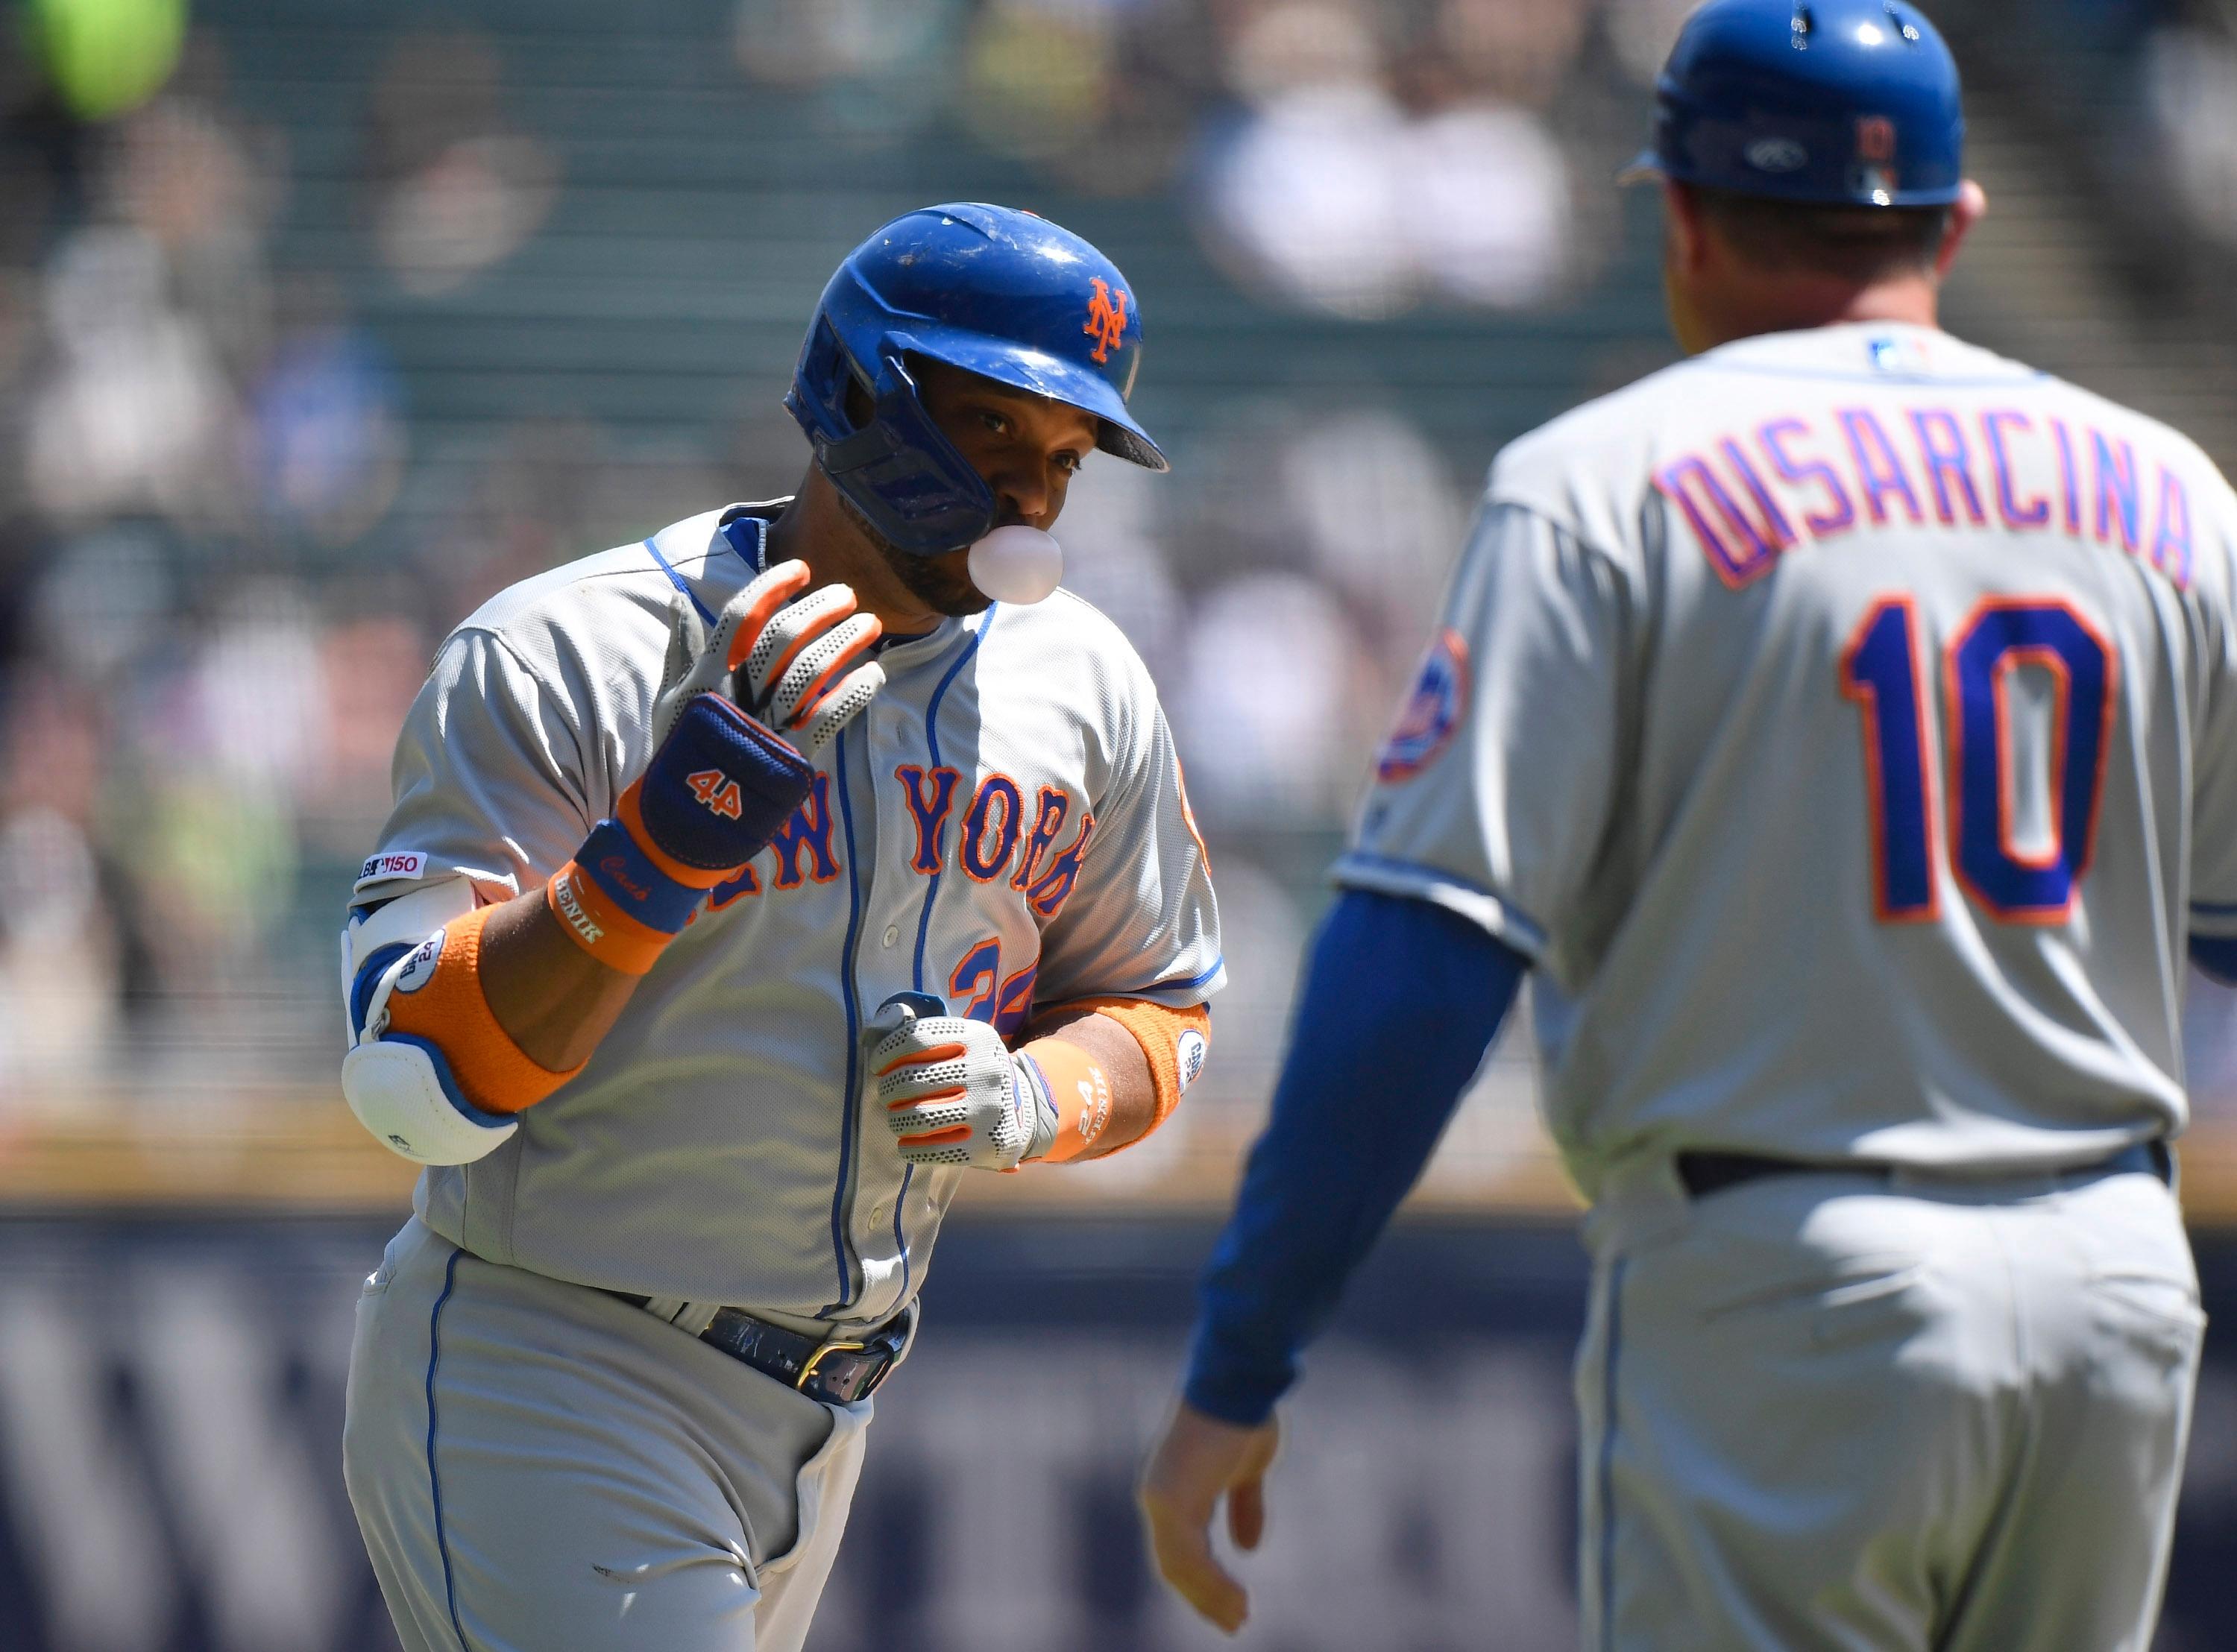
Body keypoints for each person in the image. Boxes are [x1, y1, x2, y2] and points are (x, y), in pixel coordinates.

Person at [1139, 4, 2230, 1647]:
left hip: (1789, 1274)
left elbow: (1426, 955)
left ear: (1682, 214)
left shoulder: (1605, 478)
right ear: (1956, 219)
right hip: (2118, 1279)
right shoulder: (2178, 492)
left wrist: (1243, 1352)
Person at [338, 202, 1222, 1652]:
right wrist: (657, 852)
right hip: (552, 1356)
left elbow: (1167, 1016)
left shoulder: (1085, 684)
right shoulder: (575, 650)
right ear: (865, 393)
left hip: (830, 1403)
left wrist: (1037, 1095)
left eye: (1062, 459)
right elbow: (411, 1092)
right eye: (996, 432)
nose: (1034, 499)